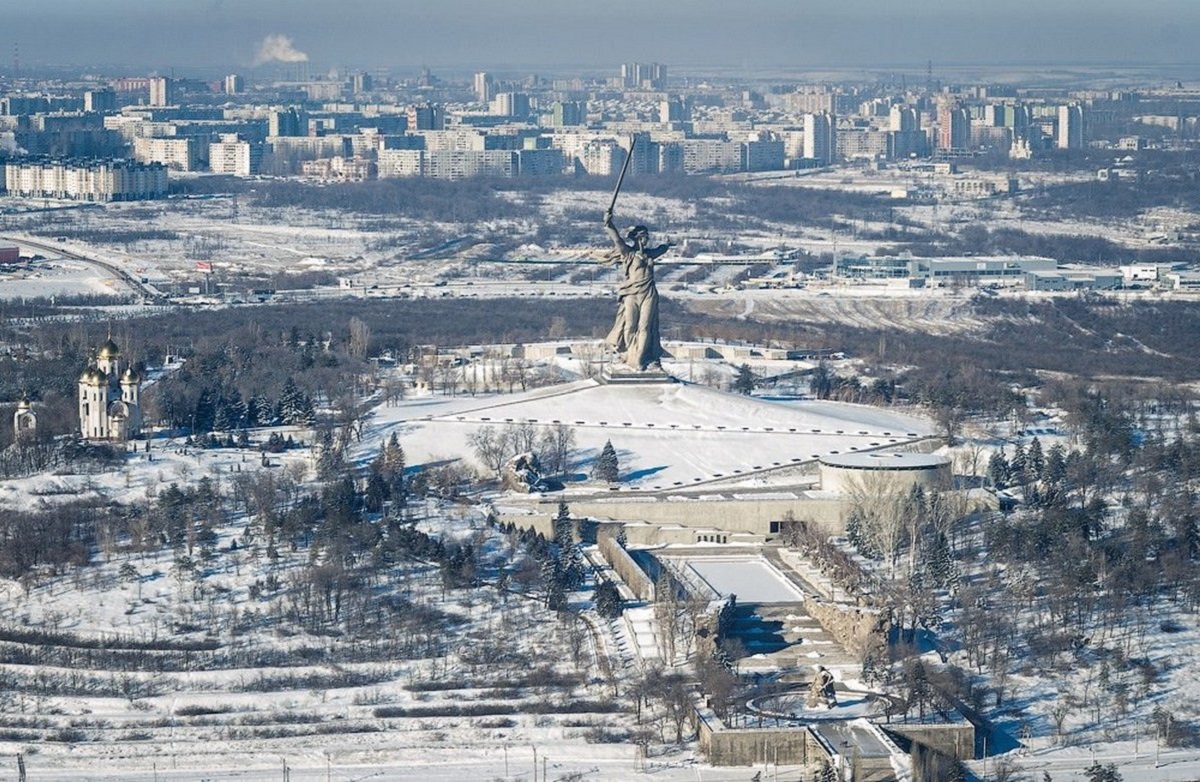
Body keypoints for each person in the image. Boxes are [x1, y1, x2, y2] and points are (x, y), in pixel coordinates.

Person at [602, 208, 672, 371]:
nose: (648, 238)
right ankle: (628, 354)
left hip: (648, 293)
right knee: (630, 326)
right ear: (640, 237)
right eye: (646, 235)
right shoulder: (629, 254)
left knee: (645, 326)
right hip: (632, 293)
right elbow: (617, 240)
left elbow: (661, 249)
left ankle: (640, 357)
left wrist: (667, 245)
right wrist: (608, 224)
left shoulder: (649, 254)